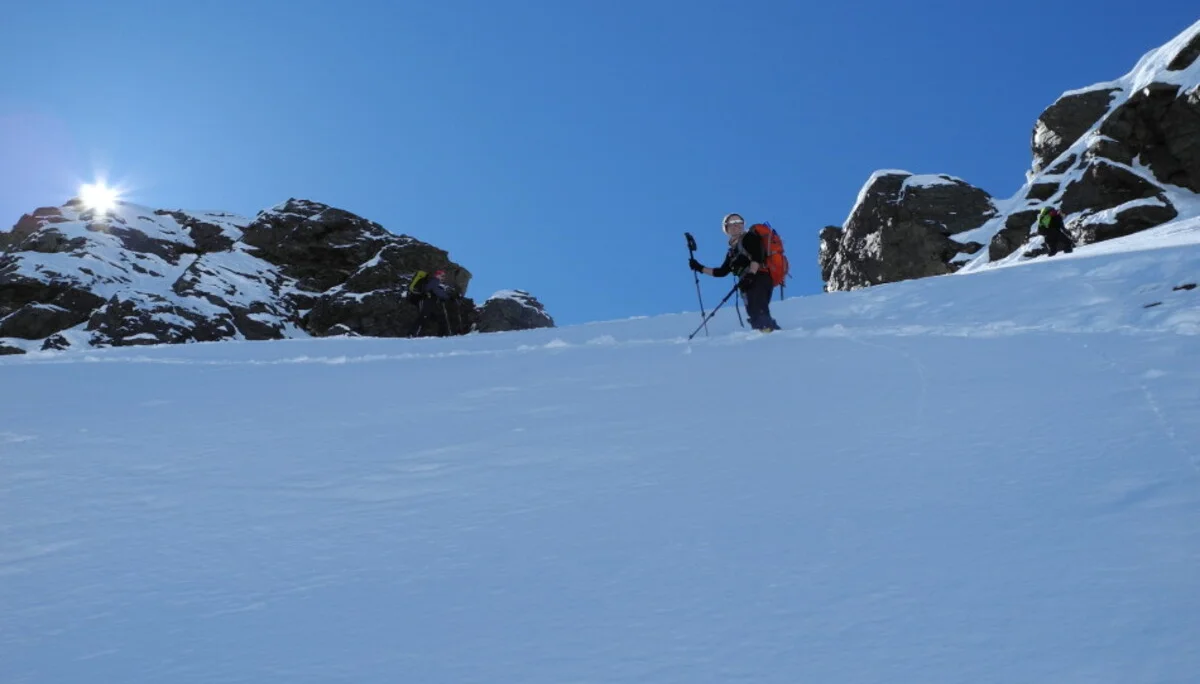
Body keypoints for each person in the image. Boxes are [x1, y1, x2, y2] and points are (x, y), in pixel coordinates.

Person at [689, 213, 781, 332]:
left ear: (743, 225)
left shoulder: (750, 237)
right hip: (747, 282)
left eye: (738, 222)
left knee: (758, 309)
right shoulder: (732, 252)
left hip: (759, 277)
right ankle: (769, 333)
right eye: (731, 223)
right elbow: (721, 272)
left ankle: (769, 333)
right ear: (726, 229)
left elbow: (757, 256)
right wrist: (699, 267)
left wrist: (751, 274)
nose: (735, 225)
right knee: (753, 311)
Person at [407, 269, 452, 337]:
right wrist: (448, 297)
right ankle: (412, 334)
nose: (443, 277)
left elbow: (435, 291)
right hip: (426, 303)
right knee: (423, 318)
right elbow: (437, 291)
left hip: (429, 304)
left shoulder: (433, 282)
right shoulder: (434, 281)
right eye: (442, 276)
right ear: (437, 275)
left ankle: (442, 334)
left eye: (444, 276)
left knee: (436, 318)